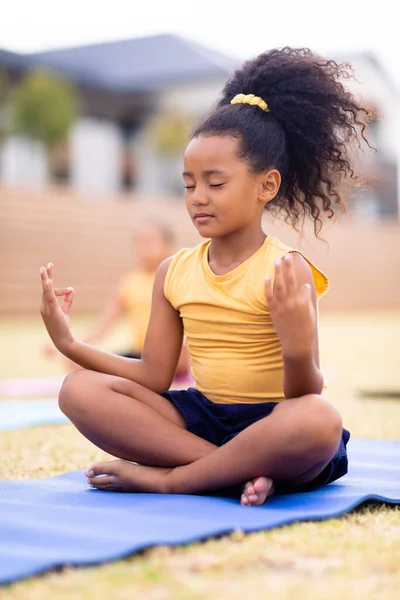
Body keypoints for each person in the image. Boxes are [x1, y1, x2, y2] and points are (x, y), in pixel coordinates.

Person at [40, 47, 370, 506]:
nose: (198, 197)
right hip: (203, 418)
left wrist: (296, 349)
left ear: (266, 186)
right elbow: (154, 376)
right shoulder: (173, 271)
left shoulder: (285, 268)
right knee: (78, 390)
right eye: (188, 183)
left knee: (318, 418)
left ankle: (175, 479)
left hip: (275, 422)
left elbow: (304, 392)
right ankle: (237, 472)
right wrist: (69, 344)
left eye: (215, 183)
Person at [43, 222, 190, 379]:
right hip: (141, 357)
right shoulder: (130, 282)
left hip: (172, 356)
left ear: (168, 246)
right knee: (75, 361)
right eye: (139, 241)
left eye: (150, 240)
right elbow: (101, 327)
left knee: (181, 351)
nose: (143, 246)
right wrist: (66, 343)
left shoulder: (177, 277)